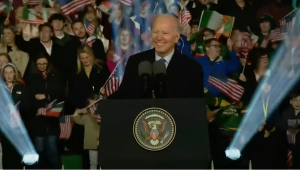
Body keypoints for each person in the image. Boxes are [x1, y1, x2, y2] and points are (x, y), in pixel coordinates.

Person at [109, 14, 204, 99]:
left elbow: (194, 109)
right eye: (155, 32)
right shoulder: (136, 62)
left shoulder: (192, 69)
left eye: (165, 33)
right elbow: (123, 96)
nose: (158, 37)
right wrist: (104, 104)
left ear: (176, 37)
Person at [27, 52, 66, 169]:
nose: (42, 66)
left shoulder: (55, 75)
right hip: (38, 119)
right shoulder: (32, 77)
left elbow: (60, 94)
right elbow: (30, 96)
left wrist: (46, 95)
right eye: (39, 64)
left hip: (53, 118)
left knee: (52, 148)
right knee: (39, 148)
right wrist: (38, 107)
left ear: (48, 63)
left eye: (44, 63)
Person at [0, 63, 28, 169]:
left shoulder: (20, 87)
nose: (8, 75)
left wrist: (18, 107)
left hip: (19, 126)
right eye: (6, 72)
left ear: (14, 73)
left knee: (17, 154)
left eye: (11, 72)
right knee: (7, 153)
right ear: (3, 74)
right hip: (5, 127)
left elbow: (27, 106)